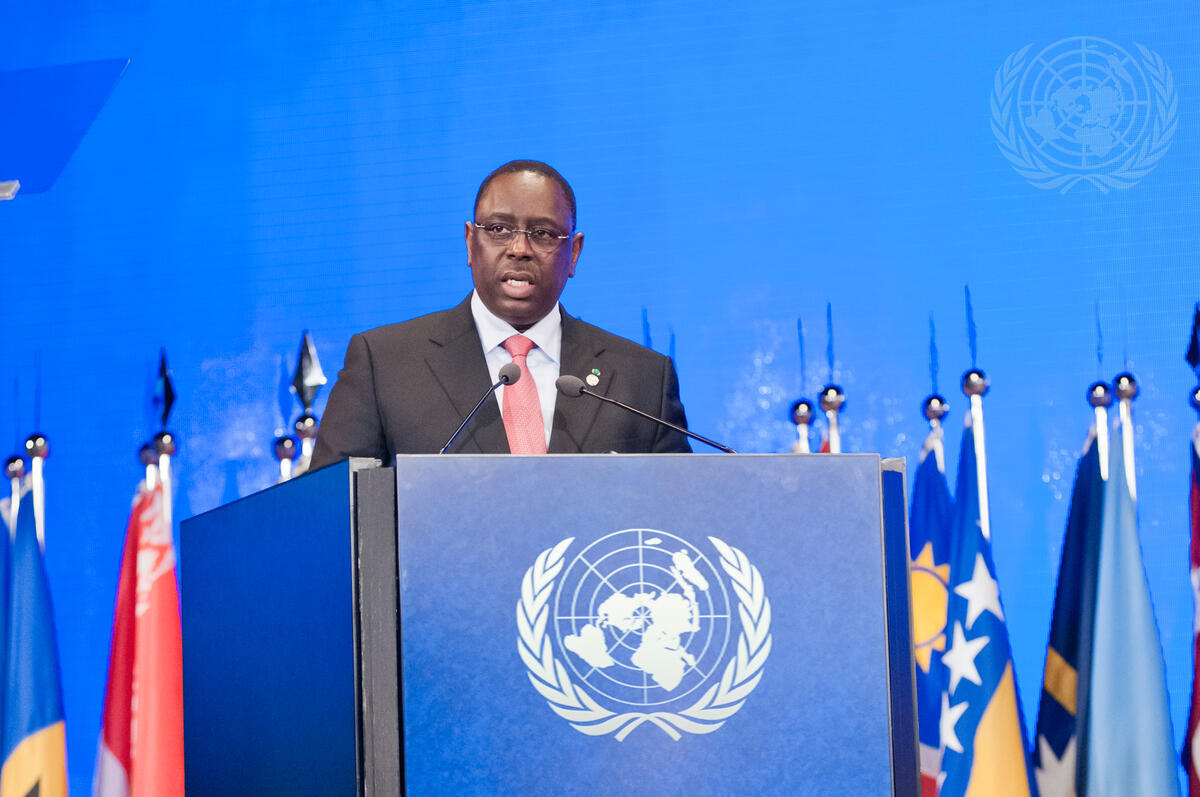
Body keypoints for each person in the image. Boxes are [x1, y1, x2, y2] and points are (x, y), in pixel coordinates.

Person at [310, 160, 691, 468]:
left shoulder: (642, 379)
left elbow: (680, 515)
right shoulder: (385, 364)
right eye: (498, 229)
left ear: (573, 253)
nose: (519, 249)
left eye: (543, 234)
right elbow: (334, 513)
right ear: (470, 242)